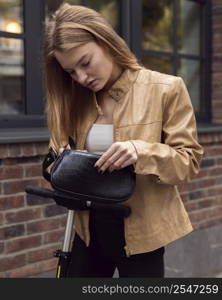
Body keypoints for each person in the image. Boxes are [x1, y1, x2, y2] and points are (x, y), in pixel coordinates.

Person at [42, 3, 203, 278]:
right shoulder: (74, 101)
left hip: (141, 234)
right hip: (85, 230)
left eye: (85, 63)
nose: (81, 78)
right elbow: (54, 159)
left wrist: (140, 151)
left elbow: (188, 163)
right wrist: (59, 165)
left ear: (106, 41)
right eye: (71, 72)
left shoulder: (166, 89)